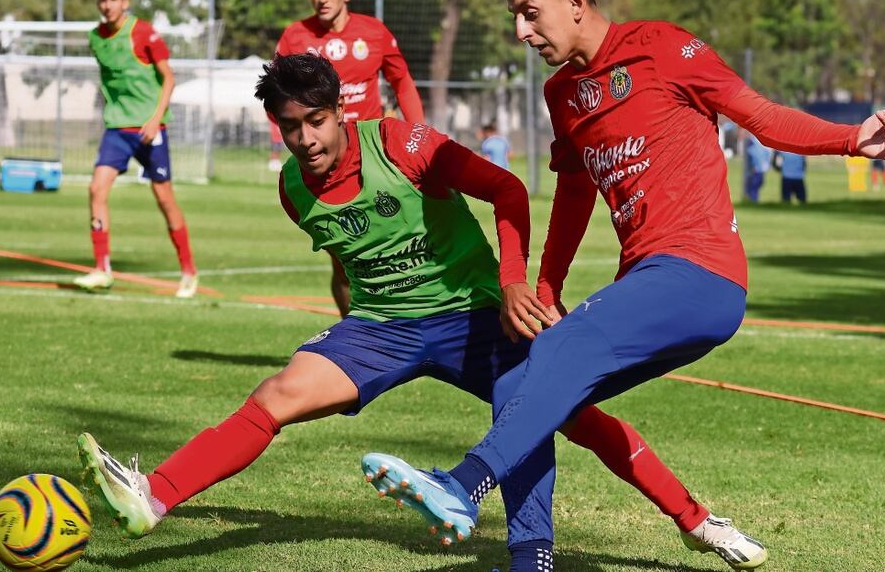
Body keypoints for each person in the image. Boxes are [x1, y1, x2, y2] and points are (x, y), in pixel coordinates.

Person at [78, 54, 731, 572]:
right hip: (381, 328)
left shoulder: (402, 144)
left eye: (315, 121)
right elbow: (342, 258)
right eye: (289, 127)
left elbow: (506, 189)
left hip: (474, 318)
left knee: (560, 414)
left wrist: (511, 283)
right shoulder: (291, 188)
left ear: (341, 112)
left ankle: (683, 522)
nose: (304, 139)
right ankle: (153, 496)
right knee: (275, 394)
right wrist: (343, 330)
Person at [361, 0, 885, 572]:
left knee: (557, 359)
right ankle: (531, 558)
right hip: (647, 280)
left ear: (575, 2)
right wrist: (546, 285)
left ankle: (460, 487)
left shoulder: (664, 47)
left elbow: (759, 115)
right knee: (522, 384)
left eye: (530, 14)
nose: (521, 32)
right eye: (515, 17)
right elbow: (572, 192)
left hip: (702, 274)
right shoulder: (561, 92)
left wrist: (850, 140)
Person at [73, 0, 198, 298]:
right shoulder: (95, 38)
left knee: (164, 199)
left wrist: (156, 120)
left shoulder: (144, 32)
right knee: (96, 188)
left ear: (124, 3)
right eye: (102, 0)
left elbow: (168, 79)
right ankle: (102, 269)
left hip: (149, 130)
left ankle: (188, 271)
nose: (107, 5)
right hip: (117, 129)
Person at [267, 0, 425, 171]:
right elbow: (275, 96)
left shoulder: (374, 32)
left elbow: (402, 82)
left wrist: (420, 133)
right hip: (322, 153)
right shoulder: (295, 36)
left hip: (371, 147)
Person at [743, 134, 770, 202]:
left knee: (753, 187)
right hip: (760, 168)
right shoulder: (759, 142)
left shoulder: (753, 142)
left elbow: (753, 154)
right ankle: (753, 201)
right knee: (755, 187)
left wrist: (755, 165)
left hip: (756, 169)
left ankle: (753, 202)